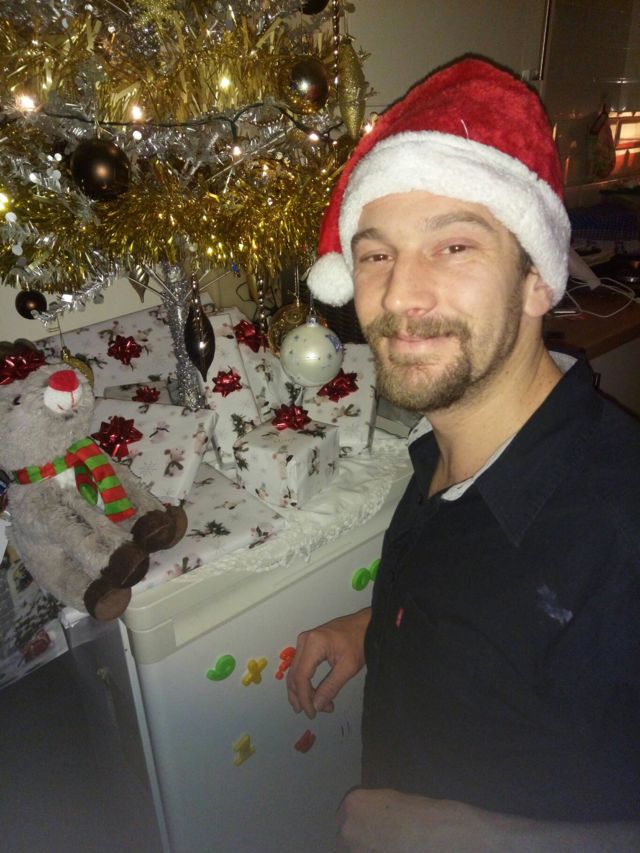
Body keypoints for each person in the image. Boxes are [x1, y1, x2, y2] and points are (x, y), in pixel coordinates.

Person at [286, 56, 640, 851]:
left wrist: (479, 835)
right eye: (376, 254)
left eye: (453, 246)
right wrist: (377, 626)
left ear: (537, 280)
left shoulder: (621, 541)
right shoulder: (442, 450)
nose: (400, 296)